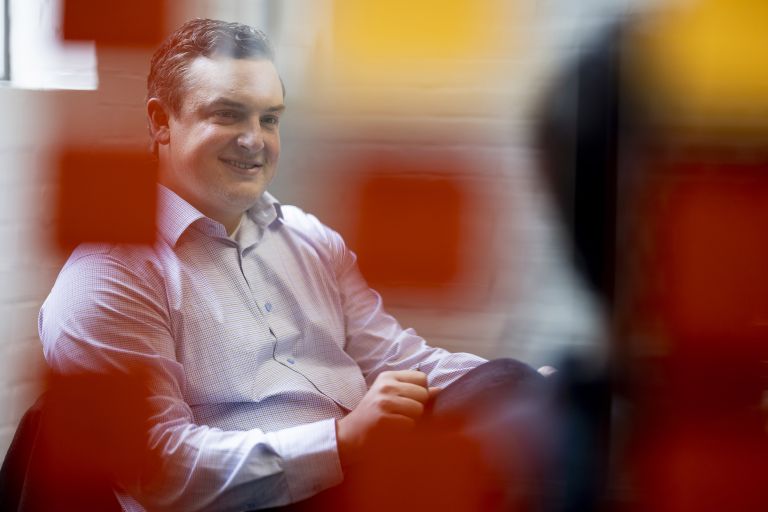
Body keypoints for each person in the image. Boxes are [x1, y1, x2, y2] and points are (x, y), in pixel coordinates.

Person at [39, 19, 551, 511]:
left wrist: (531, 386)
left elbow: (397, 357)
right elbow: (158, 470)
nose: (254, 140)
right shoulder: (110, 274)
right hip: (263, 502)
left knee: (512, 393)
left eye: (269, 118)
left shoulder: (307, 238)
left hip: (365, 473)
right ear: (160, 121)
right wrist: (338, 442)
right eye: (227, 115)